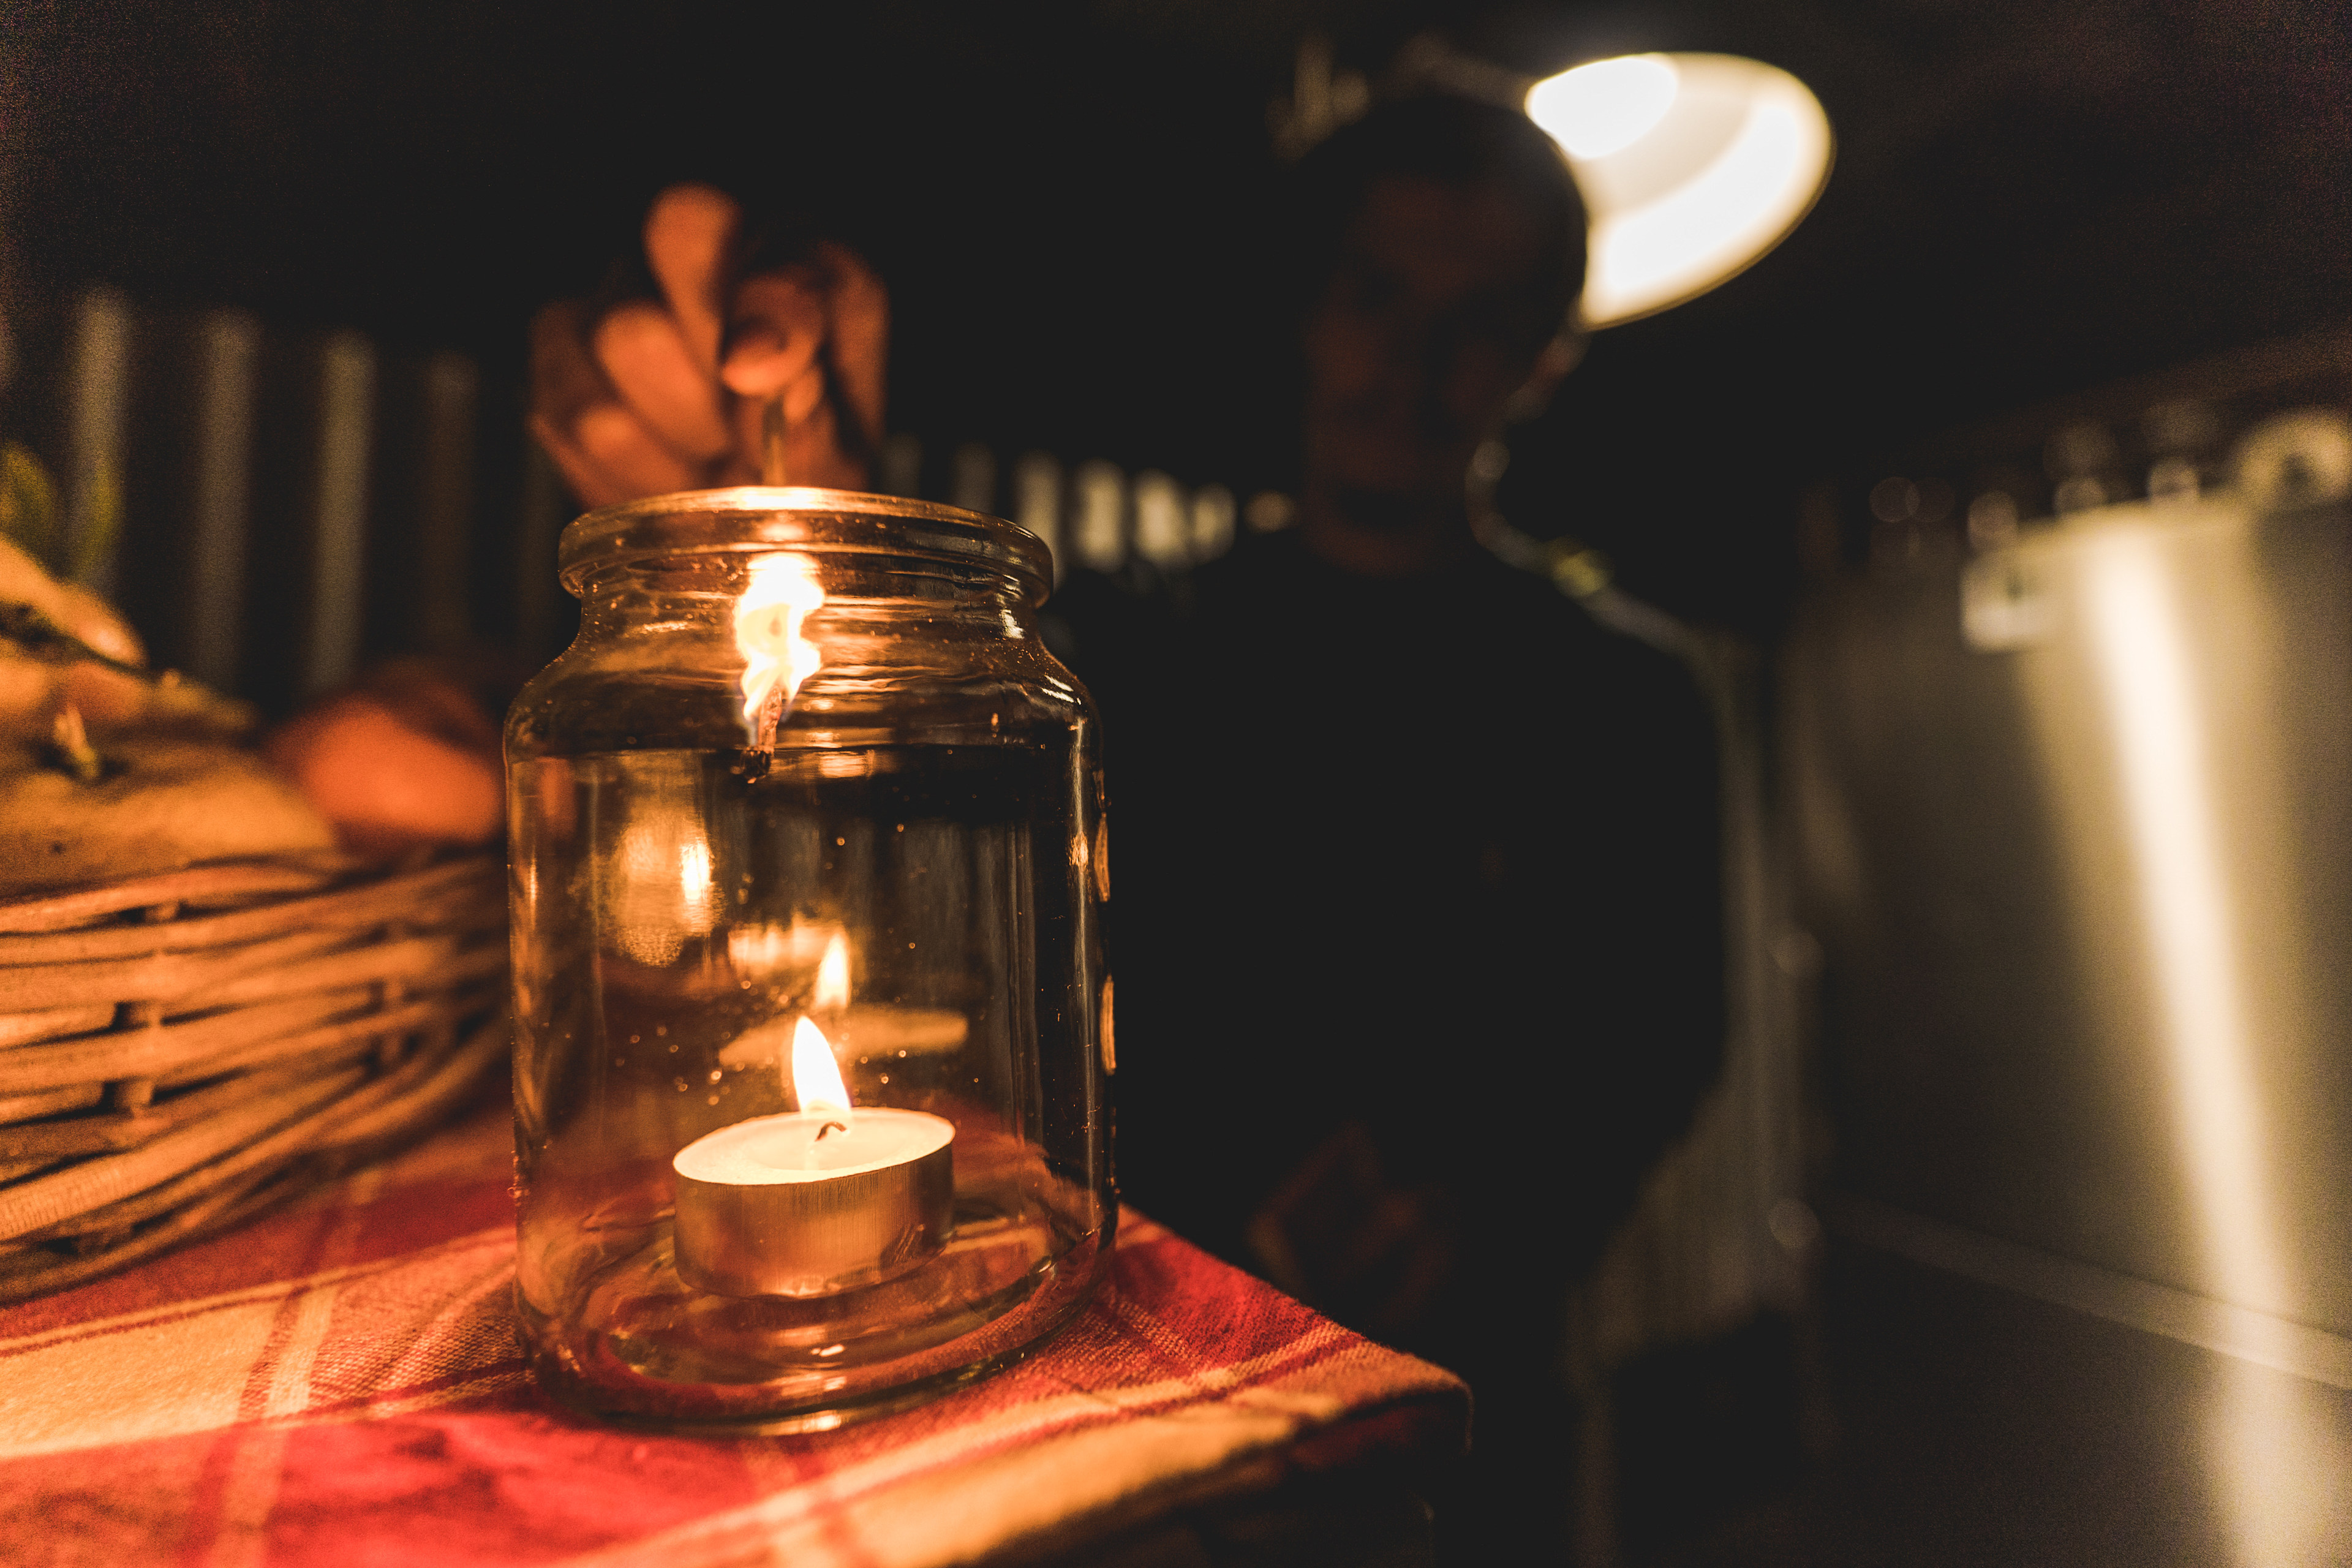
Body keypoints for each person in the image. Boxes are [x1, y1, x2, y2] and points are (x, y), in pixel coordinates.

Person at [532, 94, 1722, 1558]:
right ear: (1307, 311)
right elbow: (870, 792)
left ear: (1543, 359)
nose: (1415, 363)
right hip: (1137, 1402)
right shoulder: (1120, 655)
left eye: (1478, 319)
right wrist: (802, 539)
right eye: (1377, 295)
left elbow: (1669, 1025)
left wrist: (1490, 1204)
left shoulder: (1628, 698)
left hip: (1475, 1413)